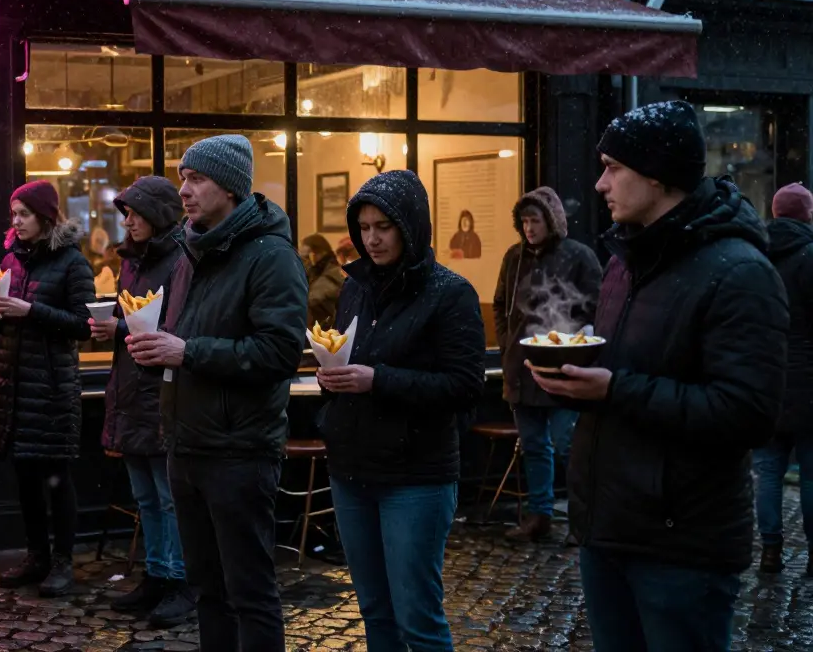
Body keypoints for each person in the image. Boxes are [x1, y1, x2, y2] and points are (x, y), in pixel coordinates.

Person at [532, 101, 787, 652]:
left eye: (613, 167)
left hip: (682, 546)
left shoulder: (739, 272)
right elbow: (627, 369)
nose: (600, 183)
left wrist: (614, 390)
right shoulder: (626, 261)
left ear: (657, 174)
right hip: (609, 528)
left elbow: (748, 414)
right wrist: (579, 378)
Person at [126, 134, 307, 652]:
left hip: (239, 452)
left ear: (230, 188)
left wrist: (187, 352)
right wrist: (157, 351)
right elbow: (186, 340)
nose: (184, 190)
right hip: (186, 446)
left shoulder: (271, 257)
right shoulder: (191, 252)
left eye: (196, 179)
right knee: (207, 590)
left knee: (249, 592)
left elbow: (278, 354)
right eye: (184, 177)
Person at [317, 170, 484, 652]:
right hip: (351, 468)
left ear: (410, 226)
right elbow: (348, 353)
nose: (372, 238)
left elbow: (464, 385)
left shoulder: (450, 293)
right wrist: (334, 372)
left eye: (383, 227)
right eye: (364, 227)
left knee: (417, 617)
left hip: (417, 476)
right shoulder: (356, 287)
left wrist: (378, 379)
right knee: (374, 610)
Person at [0, 180, 95, 598]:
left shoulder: (71, 263)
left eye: (24, 214)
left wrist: (31, 310)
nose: (16, 221)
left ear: (45, 217)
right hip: (14, 385)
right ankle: (37, 556)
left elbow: (84, 325)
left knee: (56, 478)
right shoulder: (11, 259)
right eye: (13, 214)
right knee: (25, 477)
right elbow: (0, 324)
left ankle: (63, 562)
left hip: (50, 386)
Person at [92, 176, 194, 627]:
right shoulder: (131, 261)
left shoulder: (182, 261)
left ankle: (181, 581)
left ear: (156, 215)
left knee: (170, 497)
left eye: (134, 213)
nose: (127, 221)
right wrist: (110, 325)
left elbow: (179, 326)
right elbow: (131, 318)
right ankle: (156, 574)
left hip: (164, 391)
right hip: (130, 389)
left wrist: (119, 328)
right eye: (125, 214)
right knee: (146, 497)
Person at [492, 187, 601, 543]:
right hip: (520, 370)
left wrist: (578, 346)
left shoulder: (579, 257)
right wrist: (507, 341)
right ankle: (539, 516)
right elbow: (500, 303)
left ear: (550, 221)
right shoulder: (513, 257)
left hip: (563, 368)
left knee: (568, 445)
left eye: (534, 221)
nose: (528, 228)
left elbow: (597, 307)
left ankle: (580, 519)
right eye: (523, 221)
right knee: (535, 446)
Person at [756, 182, 813, 574]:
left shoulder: (757, 253)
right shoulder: (811, 256)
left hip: (766, 379)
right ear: (807, 214)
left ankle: (770, 551)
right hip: (809, 383)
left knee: (767, 472)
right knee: (811, 472)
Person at [300, 234, 344, 329]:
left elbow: (314, 298)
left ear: (319, 251)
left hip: (326, 327)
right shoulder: (316, 269)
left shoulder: (333, 271)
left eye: (312, 253)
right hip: (316, 325)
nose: (311, 257)